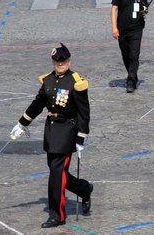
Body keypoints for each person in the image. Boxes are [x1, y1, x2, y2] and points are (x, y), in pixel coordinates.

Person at [10, 43, 93, 228]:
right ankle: (84, 188)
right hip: (52, 132)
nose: (60, 64)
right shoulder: (47, 80)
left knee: (56, 174)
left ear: (69, 61)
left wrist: (81, 136)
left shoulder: (76, 82)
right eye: (57, 61)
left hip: (67, 132)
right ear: (53, 61)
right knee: (58, 172)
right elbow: (38, 104)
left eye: (63, 61)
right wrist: (22, 123)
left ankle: (57, 215)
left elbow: (83, 112)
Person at [110, 0, 149, 93]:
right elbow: (113, 9)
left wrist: (145, 11)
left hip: (137, 29)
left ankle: (131, 80)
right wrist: (114, 28)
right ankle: (133, 75)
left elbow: (145, 7)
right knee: (126, 55)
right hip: (122, 30)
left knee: (134, 56)